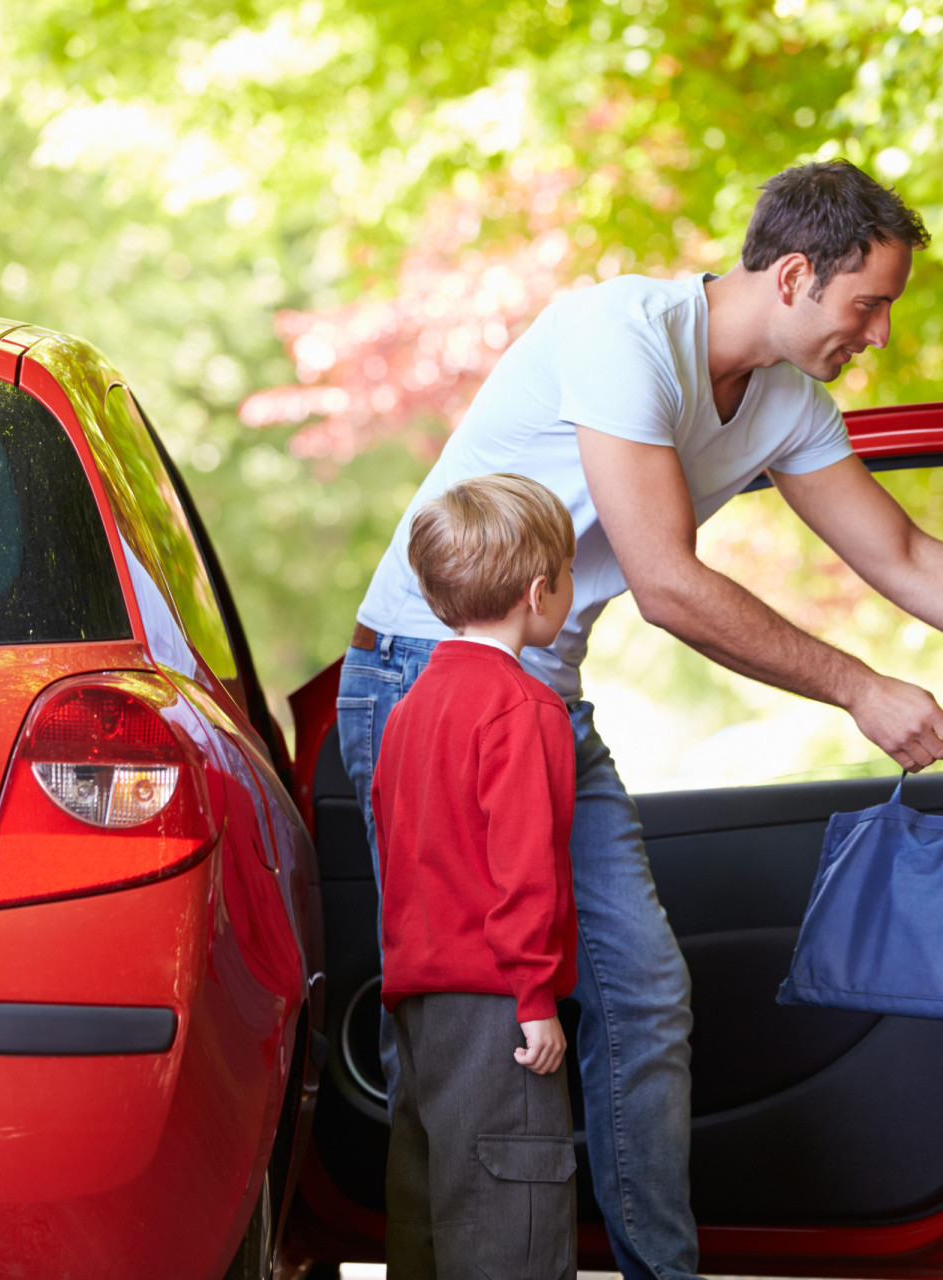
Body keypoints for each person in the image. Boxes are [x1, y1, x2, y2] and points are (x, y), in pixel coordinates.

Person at [338, 159, 943, 1280]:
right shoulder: (618, 335)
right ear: (792, 274)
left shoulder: (788, 404)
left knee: (643, 991)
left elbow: (904, 553)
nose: (878, 332)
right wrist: (858, 687)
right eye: (867, 302)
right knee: (461, 1020)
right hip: (426, 681)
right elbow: (667, 582)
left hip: (544, 695)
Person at [371, 474, 582, 1279]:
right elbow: (524, 866)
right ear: (539, 593)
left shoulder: (409, 711)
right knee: (509, 1224)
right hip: (498, 1007)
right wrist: (536, 1000)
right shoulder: (524, 710)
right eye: (568, 573)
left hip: (419, 1003)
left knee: (428, 1214)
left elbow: (397, 853)